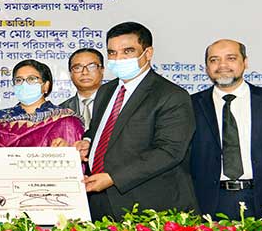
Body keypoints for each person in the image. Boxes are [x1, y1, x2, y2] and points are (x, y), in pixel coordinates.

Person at [80, 21, 199, 220]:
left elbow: (169, 151)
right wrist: (87, 142)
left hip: (147, 205)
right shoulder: (105, 91)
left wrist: (113, 178)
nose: (118, 59)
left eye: (127, 51)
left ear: (148, 53)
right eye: (112, 53)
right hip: (100, 202)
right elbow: (99, 130)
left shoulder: (171, 95)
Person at [190, 39, 262, 219]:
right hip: (208, 205)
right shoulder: (189, 106)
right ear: (206, 67)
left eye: (231, 58)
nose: (222, 65)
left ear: (245, 62)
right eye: (214, 60)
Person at [0, 59, 84, 147]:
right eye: (19, 80)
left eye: (31, 79)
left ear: (46, 86)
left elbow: (75, 156)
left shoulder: (65, 120)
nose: (24, 84)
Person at [60, 48, 105, 128]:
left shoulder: (116, 104)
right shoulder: (61, 111)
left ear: (102, 70)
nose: (85, 72)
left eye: (91, 66)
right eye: (77, 68)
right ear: (70, 73)